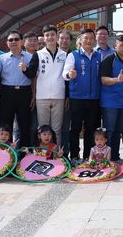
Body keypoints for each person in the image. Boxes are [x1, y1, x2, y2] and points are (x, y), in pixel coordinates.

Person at [0, 30, 36, 147]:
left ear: (21, 42)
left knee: (24, 126)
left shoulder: (30, 57)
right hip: (7, 93)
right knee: (5, 126)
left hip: (25, 93)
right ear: (7, 43)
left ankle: (23, 155)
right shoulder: (2, 58)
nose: (13, 42)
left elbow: (34, 78)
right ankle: (6, 155)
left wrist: (34, 96)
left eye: (16, 39)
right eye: (10, 40)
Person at [62, 28, 102, 162]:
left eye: (91, 38)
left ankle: (87, 157)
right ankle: (74, 156)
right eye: (86, 38)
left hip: (94, 99)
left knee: (91, 129)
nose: (89, 40)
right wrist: (69, 74)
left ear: (95, 40)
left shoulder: (99, 56)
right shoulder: (73, 55)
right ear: (80, 40)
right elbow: (65, 74)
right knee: (75, 128)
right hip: (77, 98)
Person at [30, 25, 67, 146]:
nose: (50, 37)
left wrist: (67, 96)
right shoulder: (38, 54)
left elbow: (67, 78)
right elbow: (31, 74)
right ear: (44, 38)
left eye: (52, 34)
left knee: (57, 129)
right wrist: (24, 69)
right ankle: (41, 155)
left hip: (59, 96)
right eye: (47, 35)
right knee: (43, 129)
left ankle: (56, 156)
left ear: (57, 37)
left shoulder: (65, 54)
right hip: (42, 96)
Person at [99, 34, 123, 162]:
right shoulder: (109, 59)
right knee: (109, 131)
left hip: (122, 102)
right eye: (122, 45)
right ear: (115, 46)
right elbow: (103, 79)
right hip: (109, 102)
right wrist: (116, 80)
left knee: (118, 131)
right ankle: (106, 159)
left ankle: (115, 156)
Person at [57, 29, 73, 158]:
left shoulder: (73, 55)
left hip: (67, 96)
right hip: (53, 95)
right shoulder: (52, 55)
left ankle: (65, 153)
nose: (64, 40)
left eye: (67, 38)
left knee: (65, 127)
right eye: (61, 38)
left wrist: (68, 96)